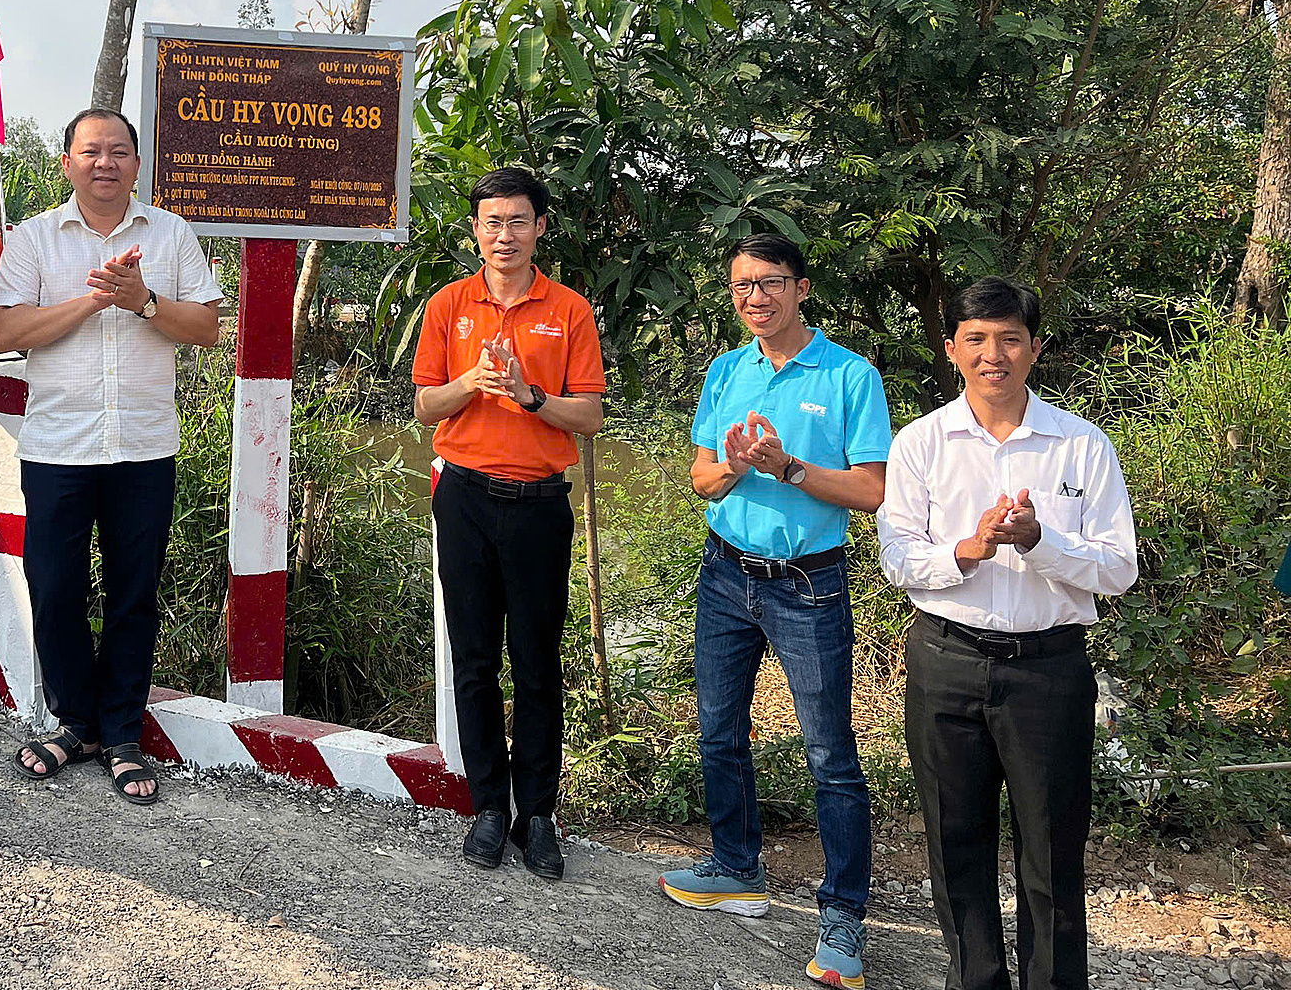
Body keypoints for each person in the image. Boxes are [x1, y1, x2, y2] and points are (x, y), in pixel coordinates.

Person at [877, 278, 1137, 990]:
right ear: (952, 348)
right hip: (947, 660)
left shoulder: (1080, 445)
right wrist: (969, 549)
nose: (994, 355)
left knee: (1052, 850)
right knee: (955, 842)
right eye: (977, 339)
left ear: (1035, 348)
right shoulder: (921, 442)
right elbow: (898, 557)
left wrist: (1038, 540)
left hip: (1047, 670)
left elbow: (1118, 569)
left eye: (1010, 339)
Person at [658, 234, 891, 990]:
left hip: (807, 584)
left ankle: (843, 915)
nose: (755, 297)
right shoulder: (727, 370)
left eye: (770, 282)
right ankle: (736, 867)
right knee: (719, 731)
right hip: (726, 574)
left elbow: (871, 490)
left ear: (802, 288)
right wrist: (732, 468)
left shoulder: (850, 375)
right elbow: (701, 477)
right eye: (741, 286)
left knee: (830, 753)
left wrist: (787, 467)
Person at [0, 107, 221, 805]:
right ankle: (73, 723)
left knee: (133, 594)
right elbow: (4, 331)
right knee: (55, 586)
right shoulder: (32, 239)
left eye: (119, 151)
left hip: (144, 446)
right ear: (67, 163)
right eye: (91, 152)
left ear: (137, 164)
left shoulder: (171, 233)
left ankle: (120, 732)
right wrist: (94, 302)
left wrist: (143, 301)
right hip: (59, 446)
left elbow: (206, 327)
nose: (105, 163)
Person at [410, 166, 605, 879]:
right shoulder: (448, 304)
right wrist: (470, 383)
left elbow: (590, 415)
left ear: (540, 228)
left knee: (538, 662)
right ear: (475, 230)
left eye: (518, 220)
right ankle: (489, 806)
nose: (504, 235)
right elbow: (425, 406)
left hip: (539, 505)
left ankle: (539, 814)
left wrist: (530, 395)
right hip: (463, 498)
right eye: (492, 222)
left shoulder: (569, 310)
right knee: (474, 660)